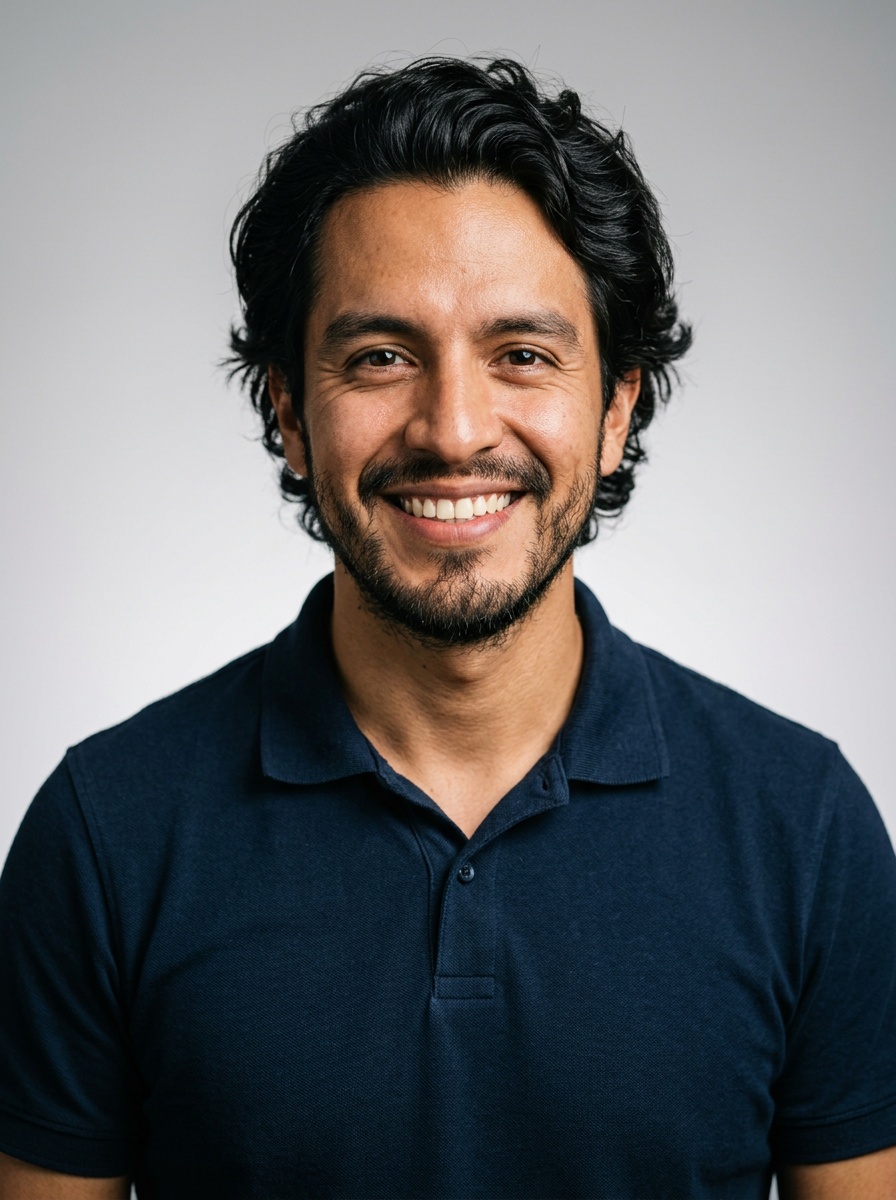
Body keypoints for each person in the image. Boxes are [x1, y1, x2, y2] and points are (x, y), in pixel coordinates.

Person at [0, 56, 894, 1200]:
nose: (454, 427)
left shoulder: (801, 829)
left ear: (616, 407)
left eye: (521, 355)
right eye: (380, 357)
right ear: (286, 409)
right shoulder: (105, 833)